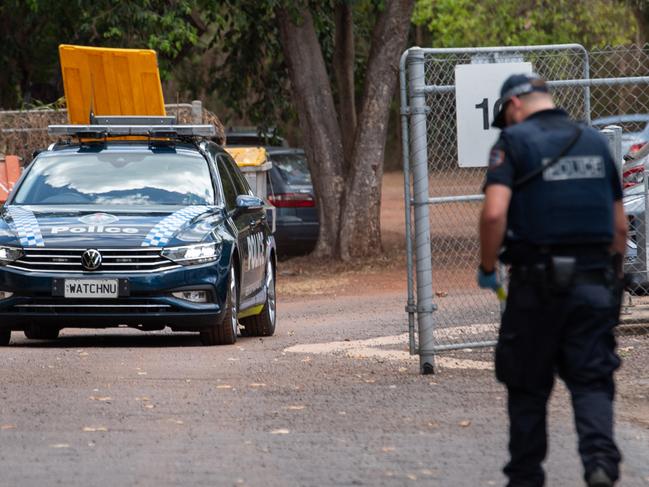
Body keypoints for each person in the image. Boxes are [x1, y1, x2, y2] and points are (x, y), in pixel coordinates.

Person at [477, 73, 628, 487]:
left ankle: (526, 476)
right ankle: (599, 464)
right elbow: (619, 228)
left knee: (527, 384)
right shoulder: (595, 142)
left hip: (536, 287)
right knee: (592, 380)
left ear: (513, 106)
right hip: (594, 284)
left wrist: (488, 268)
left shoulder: (513, 142)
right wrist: (609, 280)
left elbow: (494, 214)